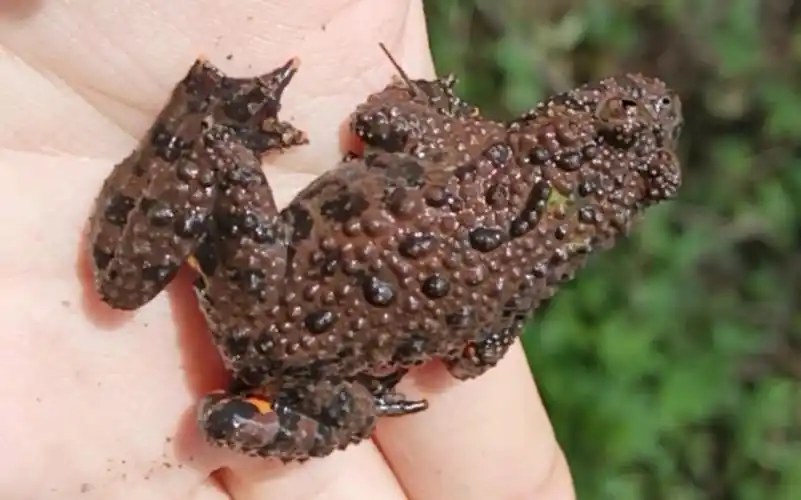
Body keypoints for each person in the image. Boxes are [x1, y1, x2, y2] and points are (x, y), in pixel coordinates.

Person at [0, 0, 576, 498]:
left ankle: (196, 119)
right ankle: (250, 415)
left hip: (271, 294)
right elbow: (470, 355)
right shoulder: (522, 253)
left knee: (218, 151)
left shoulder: (472, 155)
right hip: (320, 364)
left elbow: (382, 118)